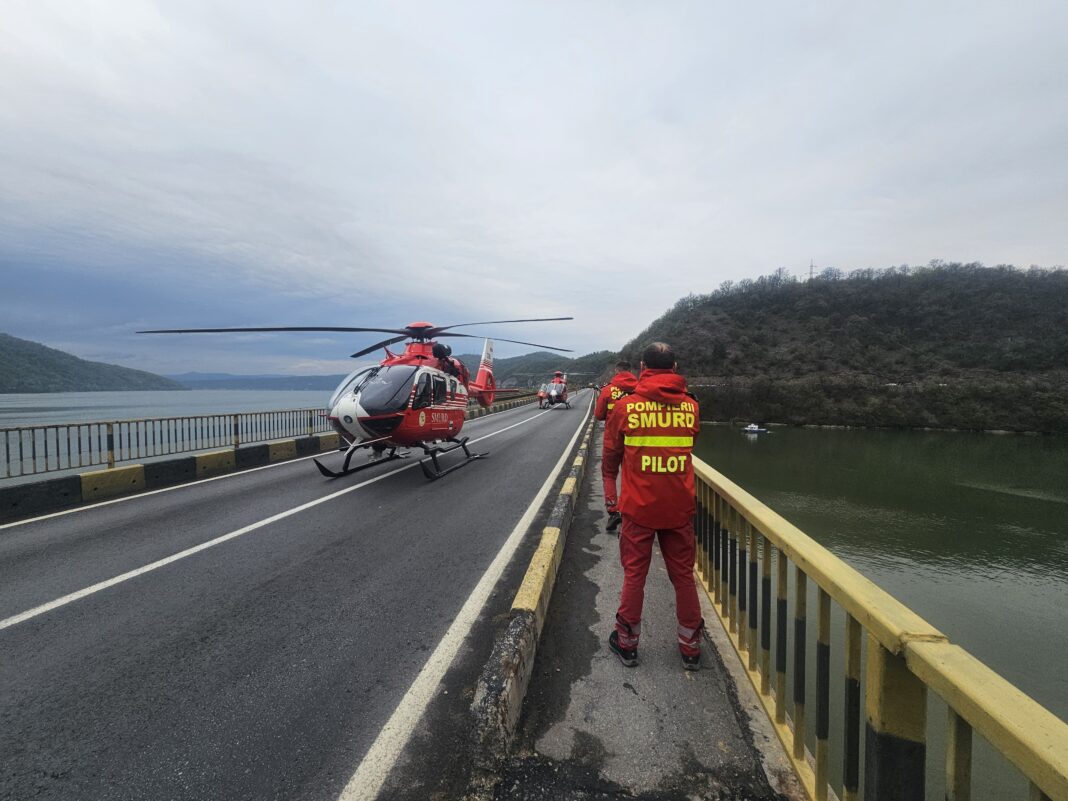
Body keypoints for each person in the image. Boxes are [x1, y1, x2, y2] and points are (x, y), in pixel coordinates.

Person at [601, 342, 703, 670]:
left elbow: (611, 456)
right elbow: (690, 443)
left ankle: (627, 643)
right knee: (683, 576)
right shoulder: (691, 406)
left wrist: (611, 497)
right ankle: (691, 647)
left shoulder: (626, 407)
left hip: (639, 509)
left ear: (643, 366)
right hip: (679, 508)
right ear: (674, 367)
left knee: (635, 574)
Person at [595, 360, 639, 531]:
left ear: (616, 371)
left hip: (612, 441)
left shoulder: (607, 390)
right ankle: (632, 511)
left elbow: (599, 415)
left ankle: (613, 511)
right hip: (634, 440)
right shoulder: (641, 389)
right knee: (633, 475)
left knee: (609, 474)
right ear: (631, 370)